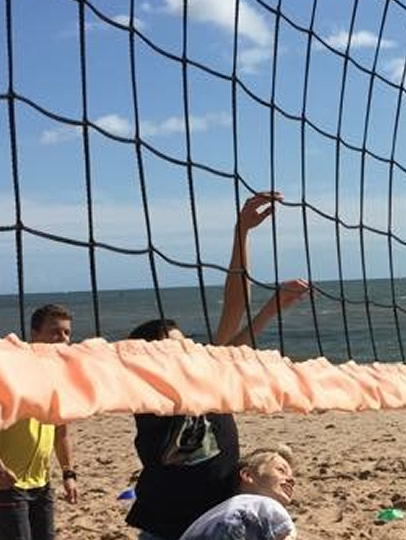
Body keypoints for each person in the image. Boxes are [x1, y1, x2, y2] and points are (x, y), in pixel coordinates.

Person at [126, 191, 310, 540]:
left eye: (186, 344)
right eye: (174, 347)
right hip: (167, 529)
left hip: (218, 522)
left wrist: (272, 307)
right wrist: (240, 233)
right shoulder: (156, 402)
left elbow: (230, 333)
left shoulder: (202, 377)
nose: (188, 352)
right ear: (150, 361)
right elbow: (232, 312)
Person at [0, 304, 79, 540]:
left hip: (42, 482)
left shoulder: (57, 377)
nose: (62, 339)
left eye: (66, 333)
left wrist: (68, 474)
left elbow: (61, 432)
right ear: (34, 334)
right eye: (55, 332)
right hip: (9, 483)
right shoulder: (12, 372)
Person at [178, 446, 297, 540]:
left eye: (291, 476)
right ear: (247, 475)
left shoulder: (206, 519)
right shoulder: (264, 506)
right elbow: (285, 536)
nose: (292, 481)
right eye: (281, 470)